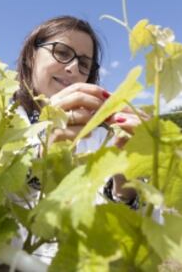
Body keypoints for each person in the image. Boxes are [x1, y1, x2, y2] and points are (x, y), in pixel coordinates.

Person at [11, 15, 148, 264]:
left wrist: (125, 187)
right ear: (31, 56)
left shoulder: (102, 137)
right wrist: (38, 159)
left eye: (85, 64)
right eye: (62, 52)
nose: (73, 67)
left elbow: (121, 243)